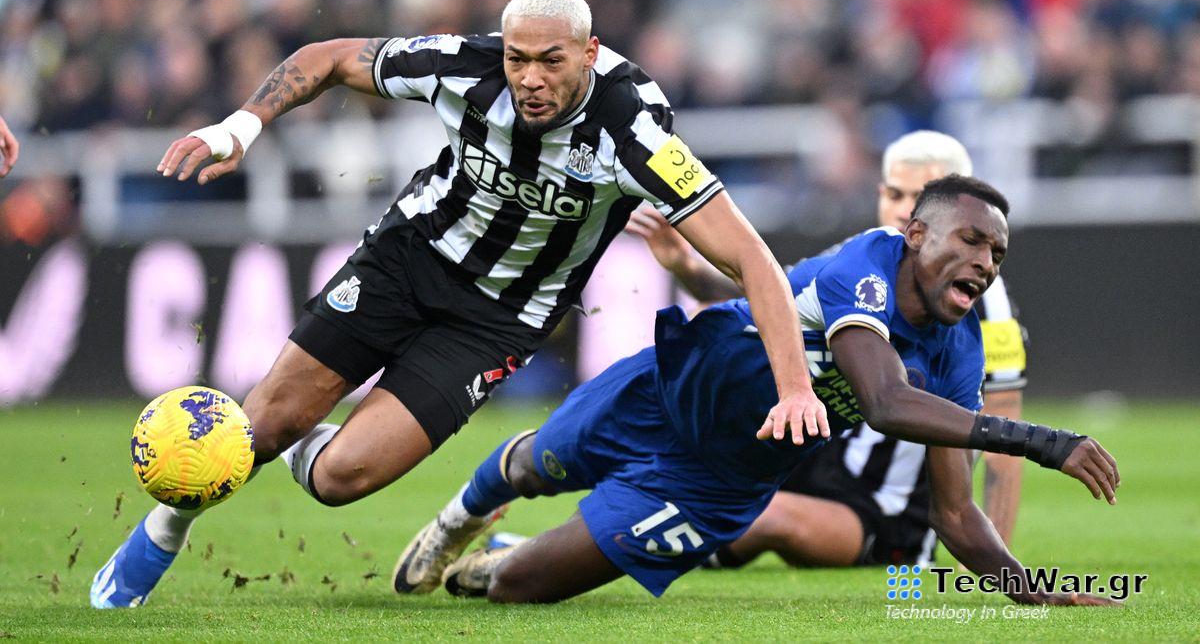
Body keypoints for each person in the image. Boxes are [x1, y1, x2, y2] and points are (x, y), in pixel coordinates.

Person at [90, 0, 828, 609]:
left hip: (498, 319)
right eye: (517, 60)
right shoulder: (463, 65)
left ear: (591, 54)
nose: (529, 78)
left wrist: (795, 388)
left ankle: (279, 432)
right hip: (406, 261)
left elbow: (754, 260)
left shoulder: (635, 128)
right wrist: (241, 126)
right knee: (260, 428)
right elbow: (329, 57)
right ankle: (164, 528)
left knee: (341, 478)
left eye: (550, 61)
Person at [396, 175, 1120, 605]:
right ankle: (459, 517)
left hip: (722, 482)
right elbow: (883, 401)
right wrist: (1047, 442)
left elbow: (956, 514)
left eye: (995, 251)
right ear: (914, 232)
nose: (984, 260)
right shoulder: (867, 263)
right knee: (537, 464)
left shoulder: (959, 357)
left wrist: (1028, 588)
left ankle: (495, 562)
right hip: (669, 389)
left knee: (522, 588)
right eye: (969, 239)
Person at [626, 130, 1026, 568]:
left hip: (887, 509)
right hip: (819, 463)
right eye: (895, 193)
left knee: (757, 515)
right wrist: (689, 268)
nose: (904, 209)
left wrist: (994, 567)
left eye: (919, 196)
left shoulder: (983, 301)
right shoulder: (864, 259)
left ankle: (634, 550)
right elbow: (773, 301)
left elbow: (1001, 426)